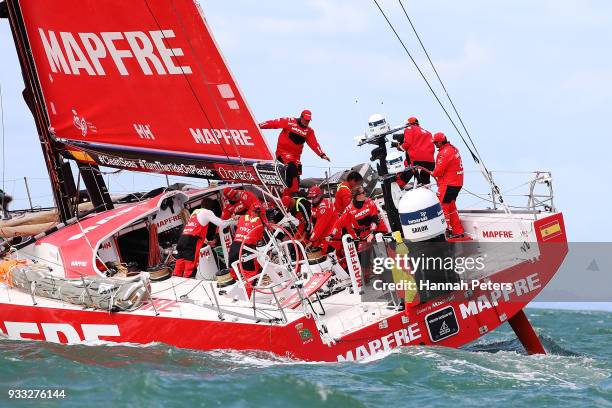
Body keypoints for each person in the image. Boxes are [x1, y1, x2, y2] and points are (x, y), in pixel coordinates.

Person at [259, 110, 330, 196]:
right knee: (292, 169)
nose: (307, 122)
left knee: (296, 177)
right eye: (305, 120)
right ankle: (293, 194)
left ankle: (290, 196)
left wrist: (322, 155)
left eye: (308, 120)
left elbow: (314, 144)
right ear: (301, 117)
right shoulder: (289, 121)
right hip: (283, 153)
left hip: (296, 157)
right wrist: (258, 126)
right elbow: (273, 123)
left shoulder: (309, 131)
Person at [173, 207, 231, 278]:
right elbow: (222, 224)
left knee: (179, 265)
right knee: (190, 268)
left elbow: (196, 229)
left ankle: (175, 280)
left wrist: (207, 242)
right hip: (190, 241)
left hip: (182, 239)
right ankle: (189, 285)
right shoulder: (208, 213)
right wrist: (233, 219)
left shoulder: (195, 212)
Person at [224, 205, 268, 295]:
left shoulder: (242, 218)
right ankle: (247, 298)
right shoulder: (259, 223)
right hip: (246, 248)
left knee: (233, 272)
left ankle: (230, 294)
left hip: (234, 247)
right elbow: (259, 240)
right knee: (251, 274)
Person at [432, 132, 465, 237]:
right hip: (457, 183)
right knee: (451, 206)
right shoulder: (453, 148)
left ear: (441, 142)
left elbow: (438, 171)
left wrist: (433, 173)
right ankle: (458, 231)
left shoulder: (444, 153)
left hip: (448, 183)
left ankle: (446, 231)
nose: (435, 145)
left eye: (436, 143)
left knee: (442, 207)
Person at [398, 117, 435, 186]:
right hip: (430, 163)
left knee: (406, 169)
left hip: (417, 162)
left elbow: (407, 144)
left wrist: (400, 147)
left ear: (408, 124)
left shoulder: (409, 128)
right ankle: (426, 192)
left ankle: (398, 186)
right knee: (424, 184)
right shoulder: (428, 133)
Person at [307, 186, 339, 253]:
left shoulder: (324, 207)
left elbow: (320, 226)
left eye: (314, 197)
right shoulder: (314, 205)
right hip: (322, 235)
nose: (312, 200)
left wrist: (311, 241)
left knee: (327, 257)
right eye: (311, 197)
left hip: (332, 236)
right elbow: (314, 223)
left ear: (319, 195)